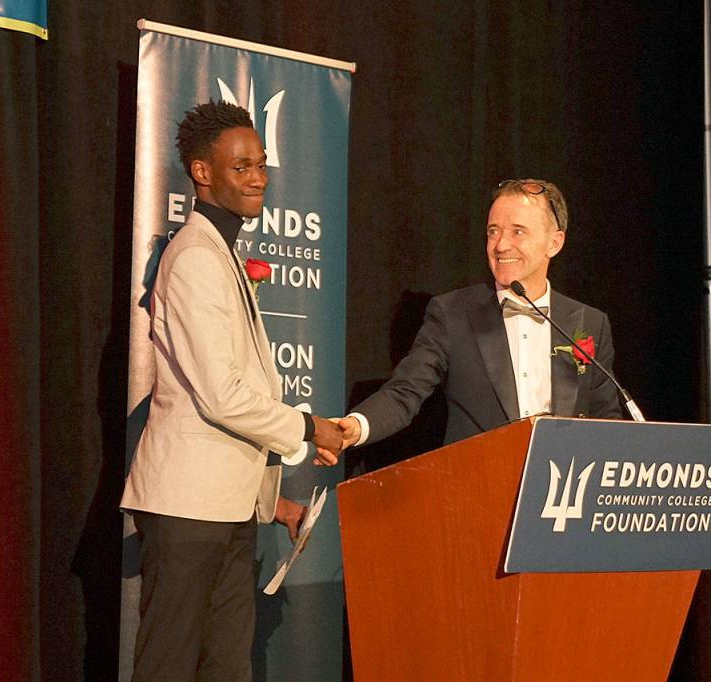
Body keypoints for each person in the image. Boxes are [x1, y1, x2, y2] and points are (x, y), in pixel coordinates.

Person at [120, 100, 342, 681]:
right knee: (168, 666)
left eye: (261, 164)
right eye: (241, 166)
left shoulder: (220, 250)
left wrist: (273, 504)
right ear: (201, 172)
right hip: (187, 511)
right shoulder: (195, 256)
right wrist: (308, 428)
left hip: (221, 509)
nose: (258, 177)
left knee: (226, 666)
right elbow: (222, 395)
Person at [337, 179, 623, 451]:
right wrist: (356, 427)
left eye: (517, 232)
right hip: (479, 479)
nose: (500, 245)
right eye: (493, 231)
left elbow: (607, 420)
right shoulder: (452, 314)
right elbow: (405, 392)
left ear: (554, 243)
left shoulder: (589, 323)